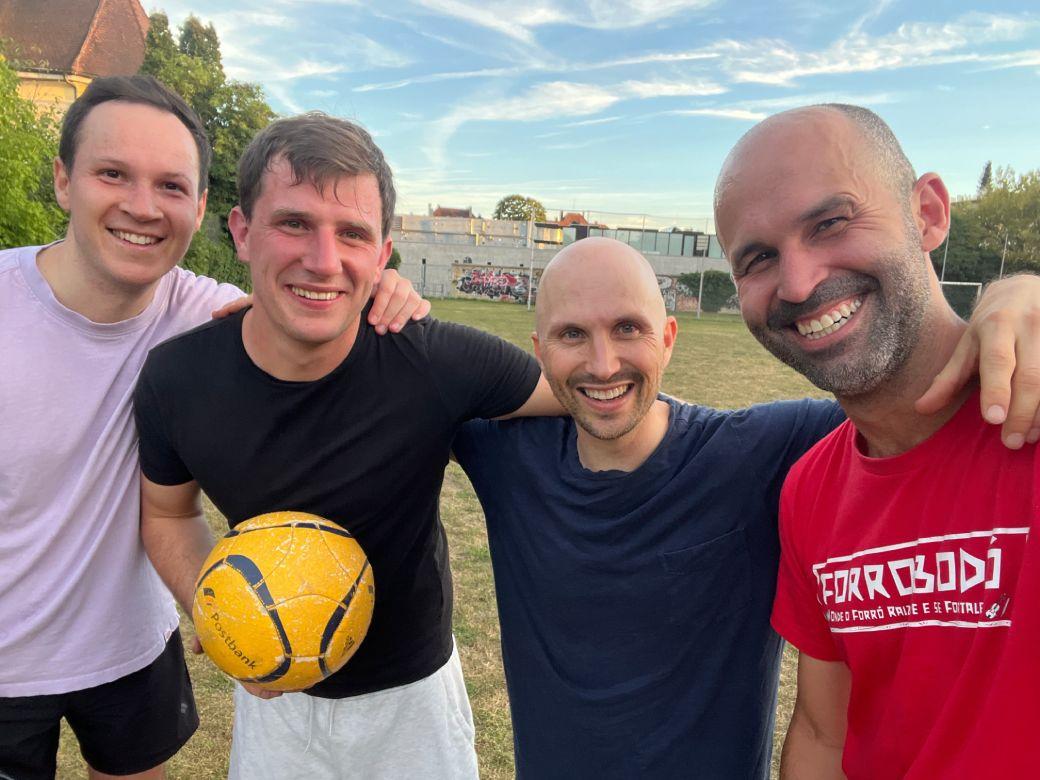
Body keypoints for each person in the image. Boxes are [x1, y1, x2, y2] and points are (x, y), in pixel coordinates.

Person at [450, 236, 1039, 778]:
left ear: (670, 337)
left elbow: (922, 396)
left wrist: (1018, 295)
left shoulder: (762, 450)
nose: (603, 364)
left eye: (628, 328)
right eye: (571, 334)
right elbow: (407, 372)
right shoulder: (502, 452)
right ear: (539, 350)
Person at [0, 75, 424, 780]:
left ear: (201, 208)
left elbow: (313, 295)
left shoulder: (208, 315)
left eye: (170, 186)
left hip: (130, 652)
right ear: (63, 181)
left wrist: (385, 287)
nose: (142, 206)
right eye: (113, 174)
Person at [132, 112, 556, 780]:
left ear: (383, 253)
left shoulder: (434, 360)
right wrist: (213, 607)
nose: (324, 261)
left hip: (414, 702)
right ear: (242, 231)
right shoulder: (176, 379)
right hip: (274, 704)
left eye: (352, 234)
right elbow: (166, 513)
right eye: (294, 223)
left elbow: (595, 390)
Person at [713, 103, 1040, 778]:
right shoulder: (810, 489)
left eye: (830, 223)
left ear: (927, 212)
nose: (799, 282)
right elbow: (824, 733)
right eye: (760, 258)